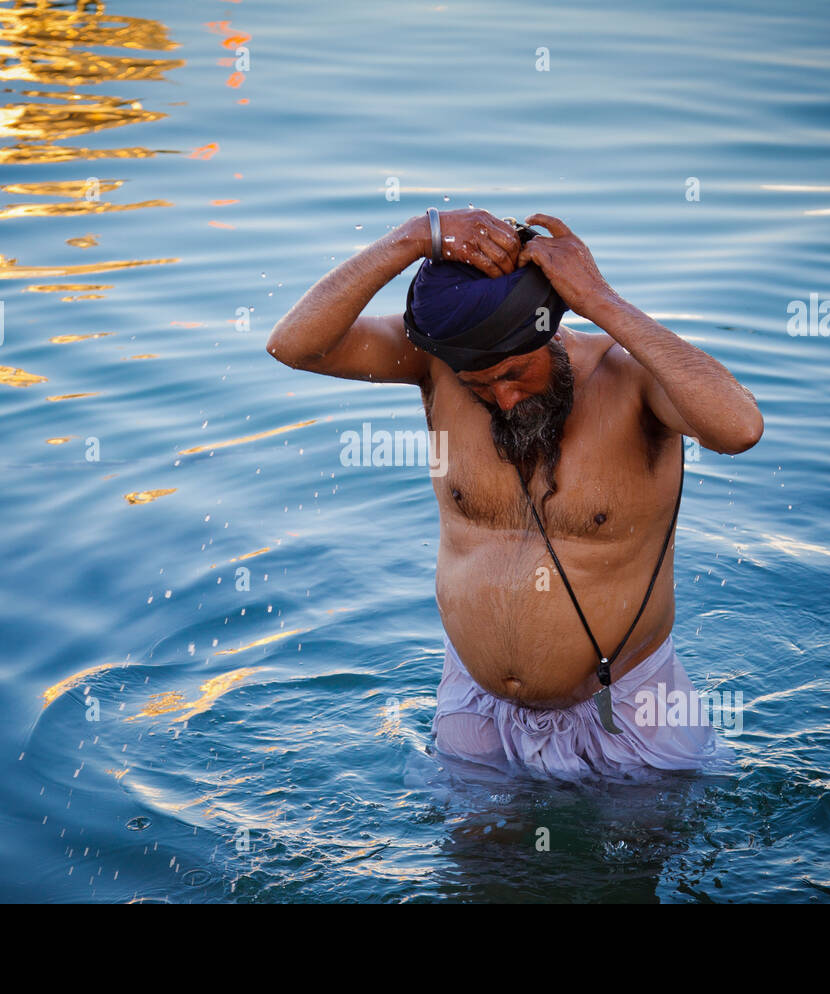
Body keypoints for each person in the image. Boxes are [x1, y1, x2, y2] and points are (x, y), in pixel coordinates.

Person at [266, 207, 762, 779]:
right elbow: (294, 346)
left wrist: (600, 298)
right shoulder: (435, 368)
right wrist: (411, 238)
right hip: (474, 709)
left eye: (514, 374)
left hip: (627, 707)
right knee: (473, 869)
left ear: (552, 326)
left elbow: (739, 428)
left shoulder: (631, 380)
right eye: (480, 386)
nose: (503, 400)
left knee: (637, 866)